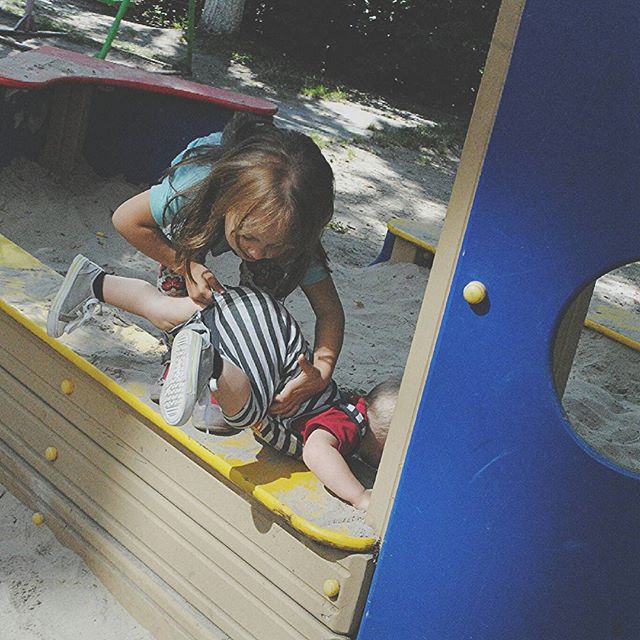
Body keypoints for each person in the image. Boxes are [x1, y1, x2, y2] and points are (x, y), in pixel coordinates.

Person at [47, 255, 398, 510]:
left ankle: (93, 282)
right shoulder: (347, 425)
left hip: (259, 312)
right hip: (264, 350)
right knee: (248, 412)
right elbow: (317, 451)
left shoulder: (346, 399)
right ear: (384, 444)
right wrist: (358, 495)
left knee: (164, 310)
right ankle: (213, 362)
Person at [110, 113, 345, 429]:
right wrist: (186, 265)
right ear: (226, 202)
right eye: (249, 237)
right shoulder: (194, 188)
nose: (256, 253)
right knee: (182, 269)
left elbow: (329, 311)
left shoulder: (290, 220)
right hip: (201, 208)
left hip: (255, 201)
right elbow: (126, 219)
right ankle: (180, 355)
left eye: (275, 245)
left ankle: (236, 364)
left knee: (267, 280)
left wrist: (321, 372)